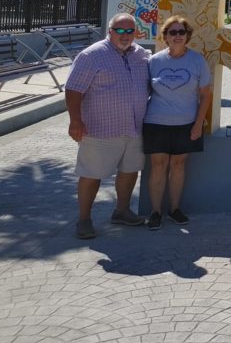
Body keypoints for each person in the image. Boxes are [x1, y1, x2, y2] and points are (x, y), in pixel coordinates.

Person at [66, 13, 150, 239]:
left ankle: (121, 211)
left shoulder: (142, 55)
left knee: (130, 171)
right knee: (91, 174)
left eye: (129, 31)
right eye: (120, 30)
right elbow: (73, 90)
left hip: (134, 129)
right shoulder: (91, 55)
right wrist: (75, 120)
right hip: (100, 130)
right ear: (110, 31)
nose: (125, 35)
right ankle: (84, 219)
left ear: (136, 32)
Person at [143, 15, 213, 230]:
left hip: (186, 123)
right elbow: (143, 91)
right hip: (156, 123)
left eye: (181, 32)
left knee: (179, 165)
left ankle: (174, 209)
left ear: (187, 36)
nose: (177, 36)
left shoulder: (197, 61)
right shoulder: (154, 61)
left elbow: (205, 95)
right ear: (165, 36)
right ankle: (156, 211)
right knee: (158, 166)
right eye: (172, 32)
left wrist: (198, 124)